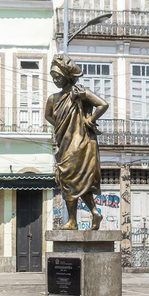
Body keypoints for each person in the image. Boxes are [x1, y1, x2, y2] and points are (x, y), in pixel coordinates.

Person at [45, 55, 109, 230]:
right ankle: (94, 213)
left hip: (79, 144)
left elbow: (103, 104)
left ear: (67, 76)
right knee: (77, 182)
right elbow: (48, 116)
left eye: (58, 77)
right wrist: (62, 126)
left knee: (67, 179)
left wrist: (90, 119)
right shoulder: (53, 98)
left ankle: (73, 221)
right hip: (65, 144)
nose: (55, 80)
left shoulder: (79, 92)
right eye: (53, 77)